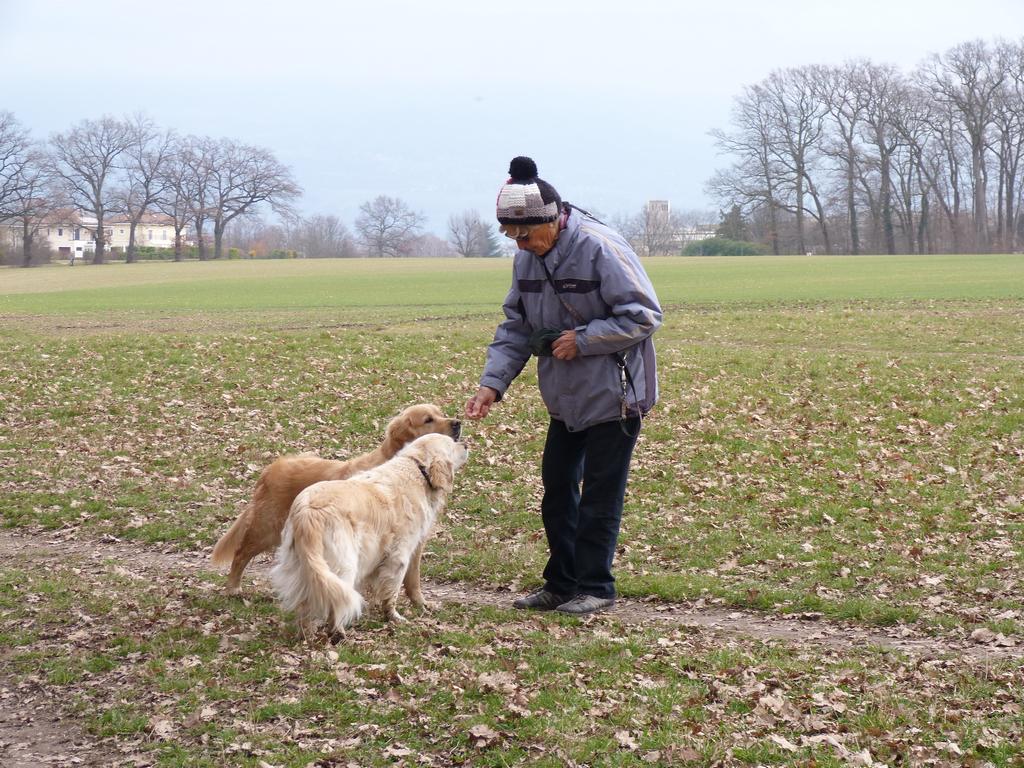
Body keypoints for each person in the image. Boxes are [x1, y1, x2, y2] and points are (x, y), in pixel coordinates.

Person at [465, 156, 662, 616]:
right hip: (565, 397)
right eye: (512, 236)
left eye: (526, 235)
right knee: (556, 489)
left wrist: (585, 339)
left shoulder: (600, 248)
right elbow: (515, 327)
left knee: (599, 495)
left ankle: (596, 586)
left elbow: (645, 316)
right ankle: (560, 583)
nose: (521, 244)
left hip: (616, 393)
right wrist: (492, 385)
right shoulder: (526, 259)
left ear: (552, 220)